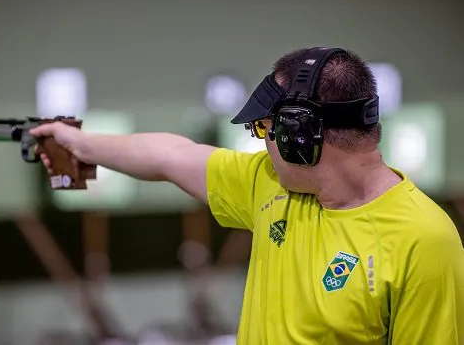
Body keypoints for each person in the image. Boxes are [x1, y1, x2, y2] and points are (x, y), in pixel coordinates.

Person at [30, 47, 464, 344]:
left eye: (264, 129)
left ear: (299, 134)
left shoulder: (424, 241)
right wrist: (80, 145)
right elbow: (170, 156)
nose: (260, 143)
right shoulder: (271, 184)